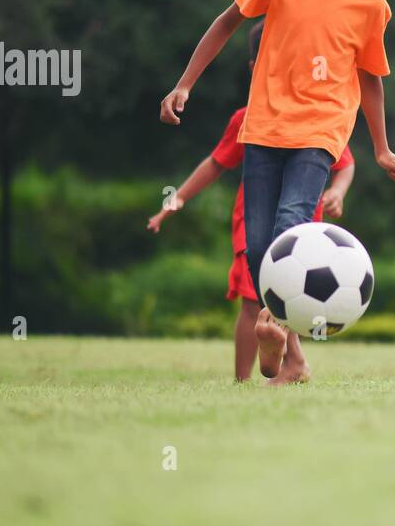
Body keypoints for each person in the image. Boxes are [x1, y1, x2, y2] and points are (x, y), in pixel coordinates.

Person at [159, 0, 395, 385]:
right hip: (263, 128)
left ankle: (274, 327)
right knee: (256, 249)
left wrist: (381, 148)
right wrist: (185, 84)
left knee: (291, 223)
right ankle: (292, 360)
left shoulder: (371, 5)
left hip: (320, 131)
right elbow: (227, 21)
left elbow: (371, 78)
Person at [147, 23, 356, 382]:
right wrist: (174, 201)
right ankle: (248, 380)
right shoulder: (246, 120)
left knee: (282, 295)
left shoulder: (315, 118)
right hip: (254, 226)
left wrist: (337, 191)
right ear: (254, 68)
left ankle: (291, 365)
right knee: (254, 302)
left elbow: (346, 164)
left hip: (304, 230)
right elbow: (214, 164)